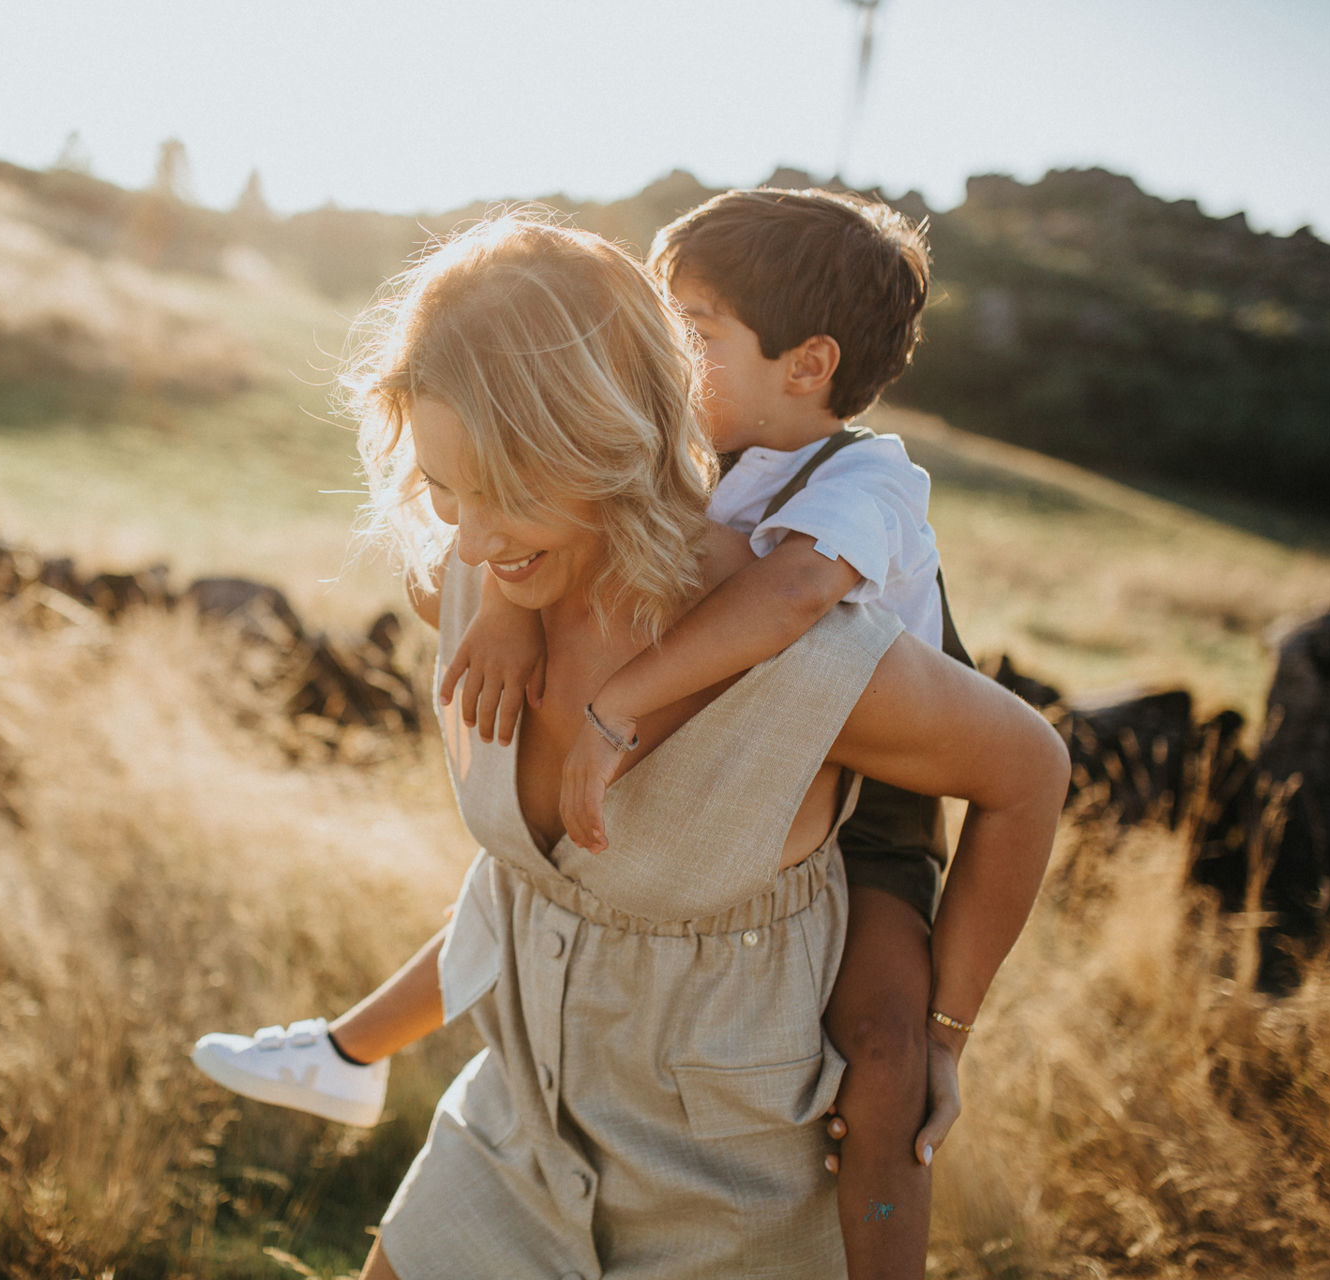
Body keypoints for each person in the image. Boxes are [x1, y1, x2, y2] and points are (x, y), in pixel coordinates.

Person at [200, 215, 1068, 1279]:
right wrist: (513, 580)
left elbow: (1029, 769)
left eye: (507, 493)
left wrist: (944, 1023)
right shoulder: (478, 576)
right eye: (443, 489)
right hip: (514, 1133)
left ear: (601, 434)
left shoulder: (803, 627)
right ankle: (346, 1052)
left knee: (886, 1059)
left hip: (728, 1195)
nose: (462, 540)